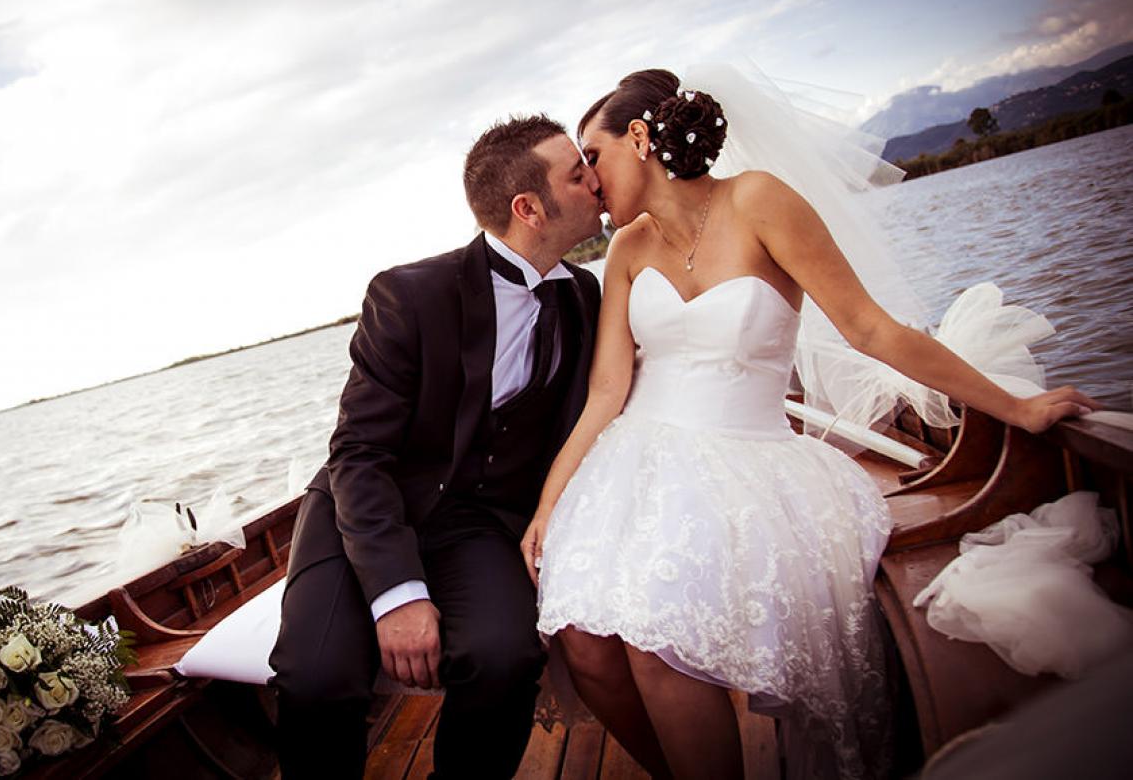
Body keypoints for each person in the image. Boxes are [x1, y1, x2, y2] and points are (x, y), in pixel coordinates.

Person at [520, 67, 1100, 780]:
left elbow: (870, 329)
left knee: (654, 643)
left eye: (594, 155)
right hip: (634, 459)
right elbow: (608, 389)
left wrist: (1016, 407)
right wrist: (551, 503)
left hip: (747, 460)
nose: (589, 179)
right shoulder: (626, 252)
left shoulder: (758, 200)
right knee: (583, 645)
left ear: (639, 139)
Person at [269, 114, 605, 780]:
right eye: (578, 173)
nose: (596, 181)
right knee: (316, 679)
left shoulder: (586, 296)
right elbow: (359, 455)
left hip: (478, 522)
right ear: (528, 208)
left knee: (506, 657)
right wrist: (397, 594)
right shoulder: (408, 295)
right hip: (364, 511)